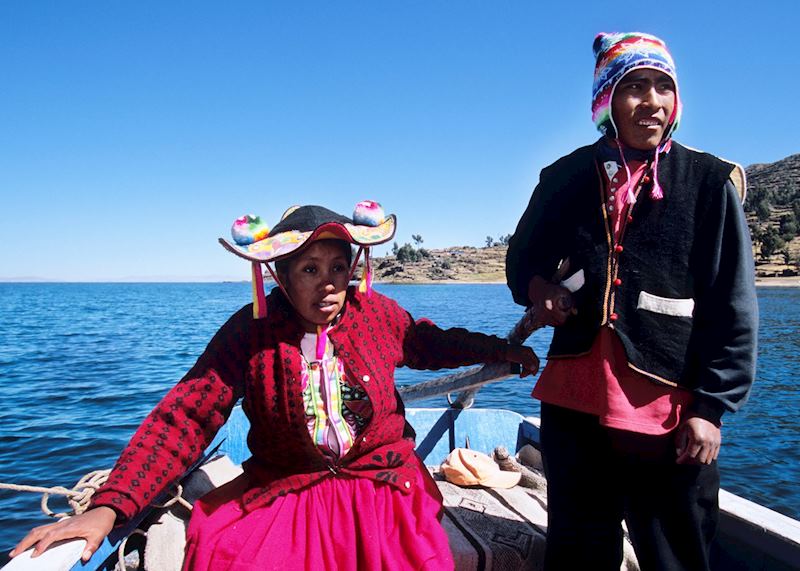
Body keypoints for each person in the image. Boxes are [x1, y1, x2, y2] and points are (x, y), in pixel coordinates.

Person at [12, 201, 539, 570]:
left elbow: (429, 343)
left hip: (383, 484)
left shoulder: (376, 313)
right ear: (280, 279)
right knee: (233, 556)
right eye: (310, 268)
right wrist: (111, 507)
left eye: (339, 265)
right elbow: (187, 415)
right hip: (286, 487)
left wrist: (499, 352)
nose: (330, 282)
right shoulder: (251, 331)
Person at [506, 32, 758, 571]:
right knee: (578, 551)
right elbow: (521, 259)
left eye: (663, 86)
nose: (652, 101)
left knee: (675, 556)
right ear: (607, 101)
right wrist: (540, 291)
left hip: (670, 413)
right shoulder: (565, 177)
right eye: (634, 86)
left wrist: (711, 408)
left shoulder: (710, 183)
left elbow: (732, 305)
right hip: (574, 405)